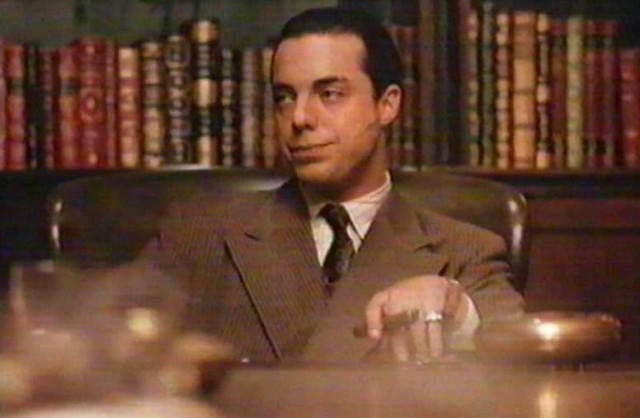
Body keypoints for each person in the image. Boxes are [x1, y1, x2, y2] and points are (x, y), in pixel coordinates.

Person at [136, 6, 523, 363]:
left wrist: (455, 307)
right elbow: (114, 336)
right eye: (285, 97)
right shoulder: (198, 234)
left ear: (387, 104)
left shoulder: (464, 250)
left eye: (330, 94)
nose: (299, 117)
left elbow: (520, 352)